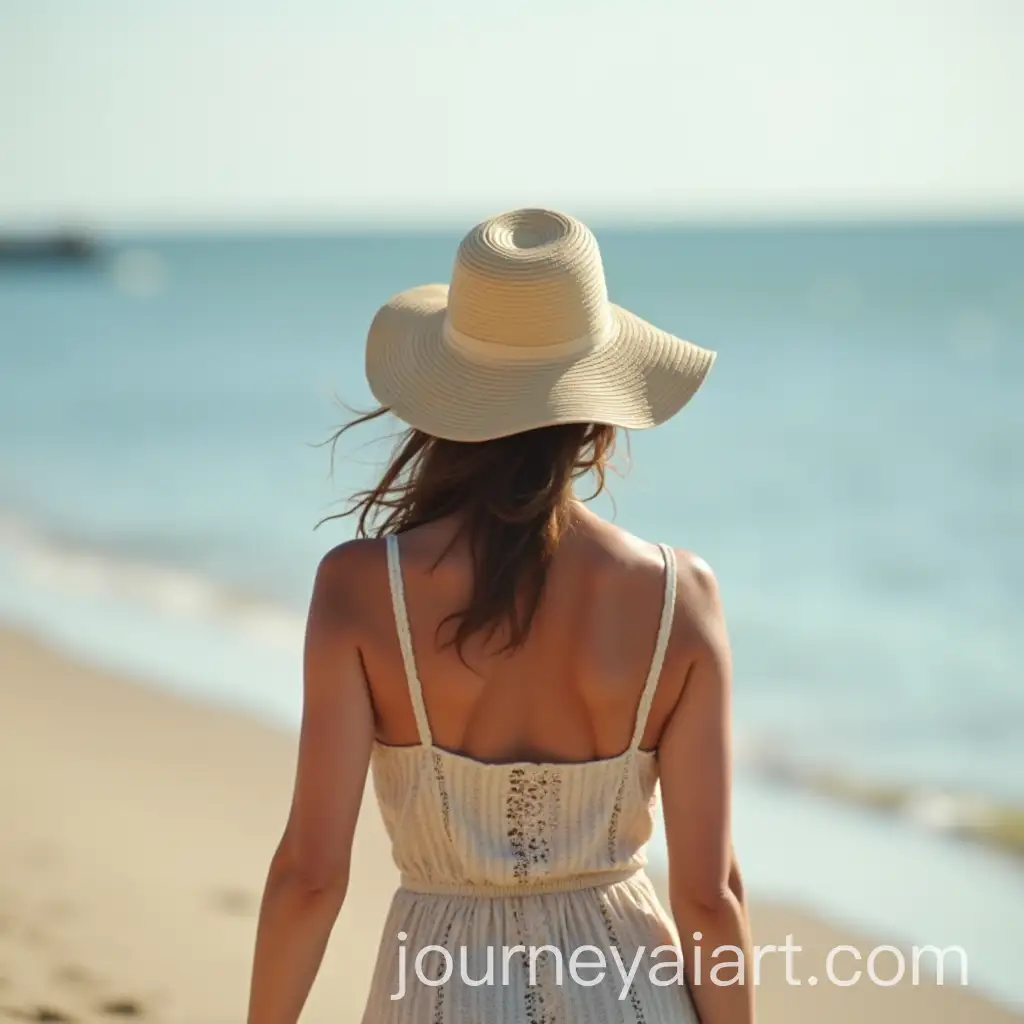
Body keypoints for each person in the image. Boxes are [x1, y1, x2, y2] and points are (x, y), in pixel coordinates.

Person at [247, 209, 755, 1023]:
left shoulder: (359, 589)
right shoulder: (678, 597)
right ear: (599, 410)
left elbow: (311, 876)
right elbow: (708, 895)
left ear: (441, 401)